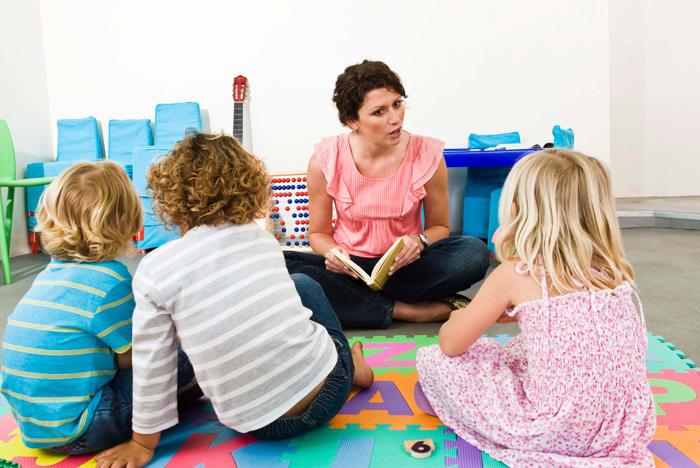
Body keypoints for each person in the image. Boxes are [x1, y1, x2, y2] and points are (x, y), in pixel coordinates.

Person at [96, 132, 374, 468]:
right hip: (331, 389)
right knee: (304, 284)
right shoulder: (262, 239)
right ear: (248, 186)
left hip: (258, 425)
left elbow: (152, 361)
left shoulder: (155, 269)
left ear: (169, 197)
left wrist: (142, 444)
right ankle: (355, 368)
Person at [416, 149, 656, 466]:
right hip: (622, 430)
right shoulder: (613, 272)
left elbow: (450, 343)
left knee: (434, 360)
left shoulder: (515, 273)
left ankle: (446, 401)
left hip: (553, 431)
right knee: (521, 349)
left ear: (515, 211)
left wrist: (459, 315)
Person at [0, 161, 197, 454]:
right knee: (182, 355)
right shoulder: (110, 281)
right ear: (126, 220)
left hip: (34, 427)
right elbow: (137, 356)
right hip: (84, 428)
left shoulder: (48, 274)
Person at [284, 60, 490, 328]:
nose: (395, 118)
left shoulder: (427, 154)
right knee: (280, 266)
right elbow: (318, 234)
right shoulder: (324, 160)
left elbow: (441, 227)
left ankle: (358, 305)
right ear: (352, 121)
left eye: (397, 104)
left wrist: (419, 241)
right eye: (378, 112)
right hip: (351, 270)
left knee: (473, 252)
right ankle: (409, 311)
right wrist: (332, 253)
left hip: (407, 269)